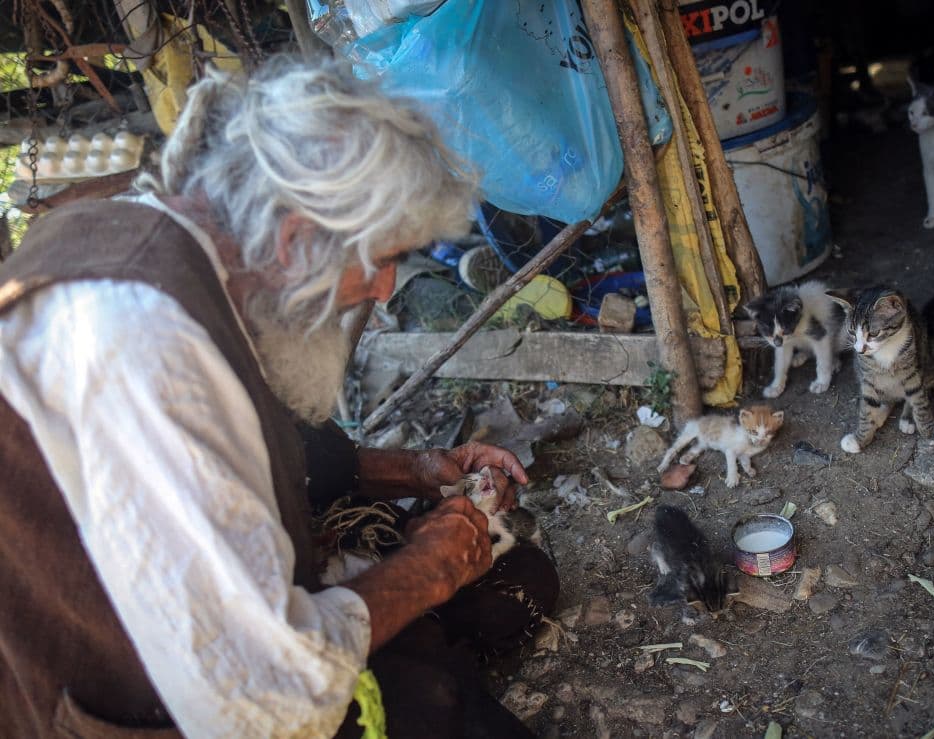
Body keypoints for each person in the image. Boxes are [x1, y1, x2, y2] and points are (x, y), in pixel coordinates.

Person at [0, 55, 557, 738]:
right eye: (382, 259)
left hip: (216, 645)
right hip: (119, 704)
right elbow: (266, 695)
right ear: (296, 240)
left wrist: (417, 470)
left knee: (513, 587)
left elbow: (280, 450)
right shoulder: (146, 345)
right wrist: (429, 568)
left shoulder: (186, 254)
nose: (386, 291)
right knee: (438, 692)